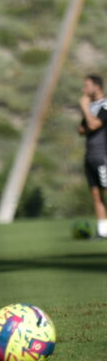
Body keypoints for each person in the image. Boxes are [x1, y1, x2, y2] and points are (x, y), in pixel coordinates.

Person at [78, 74, 107, 238]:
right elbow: (81, 129)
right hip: (90, 155)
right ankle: (103, 231)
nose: (84, 90)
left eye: (86, 86)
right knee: (96, 193)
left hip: (104, 155)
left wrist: (84, 107)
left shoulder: (106, 105)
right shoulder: (91, 107)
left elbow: (94, 124)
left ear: (97, 86)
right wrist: (89, 119)